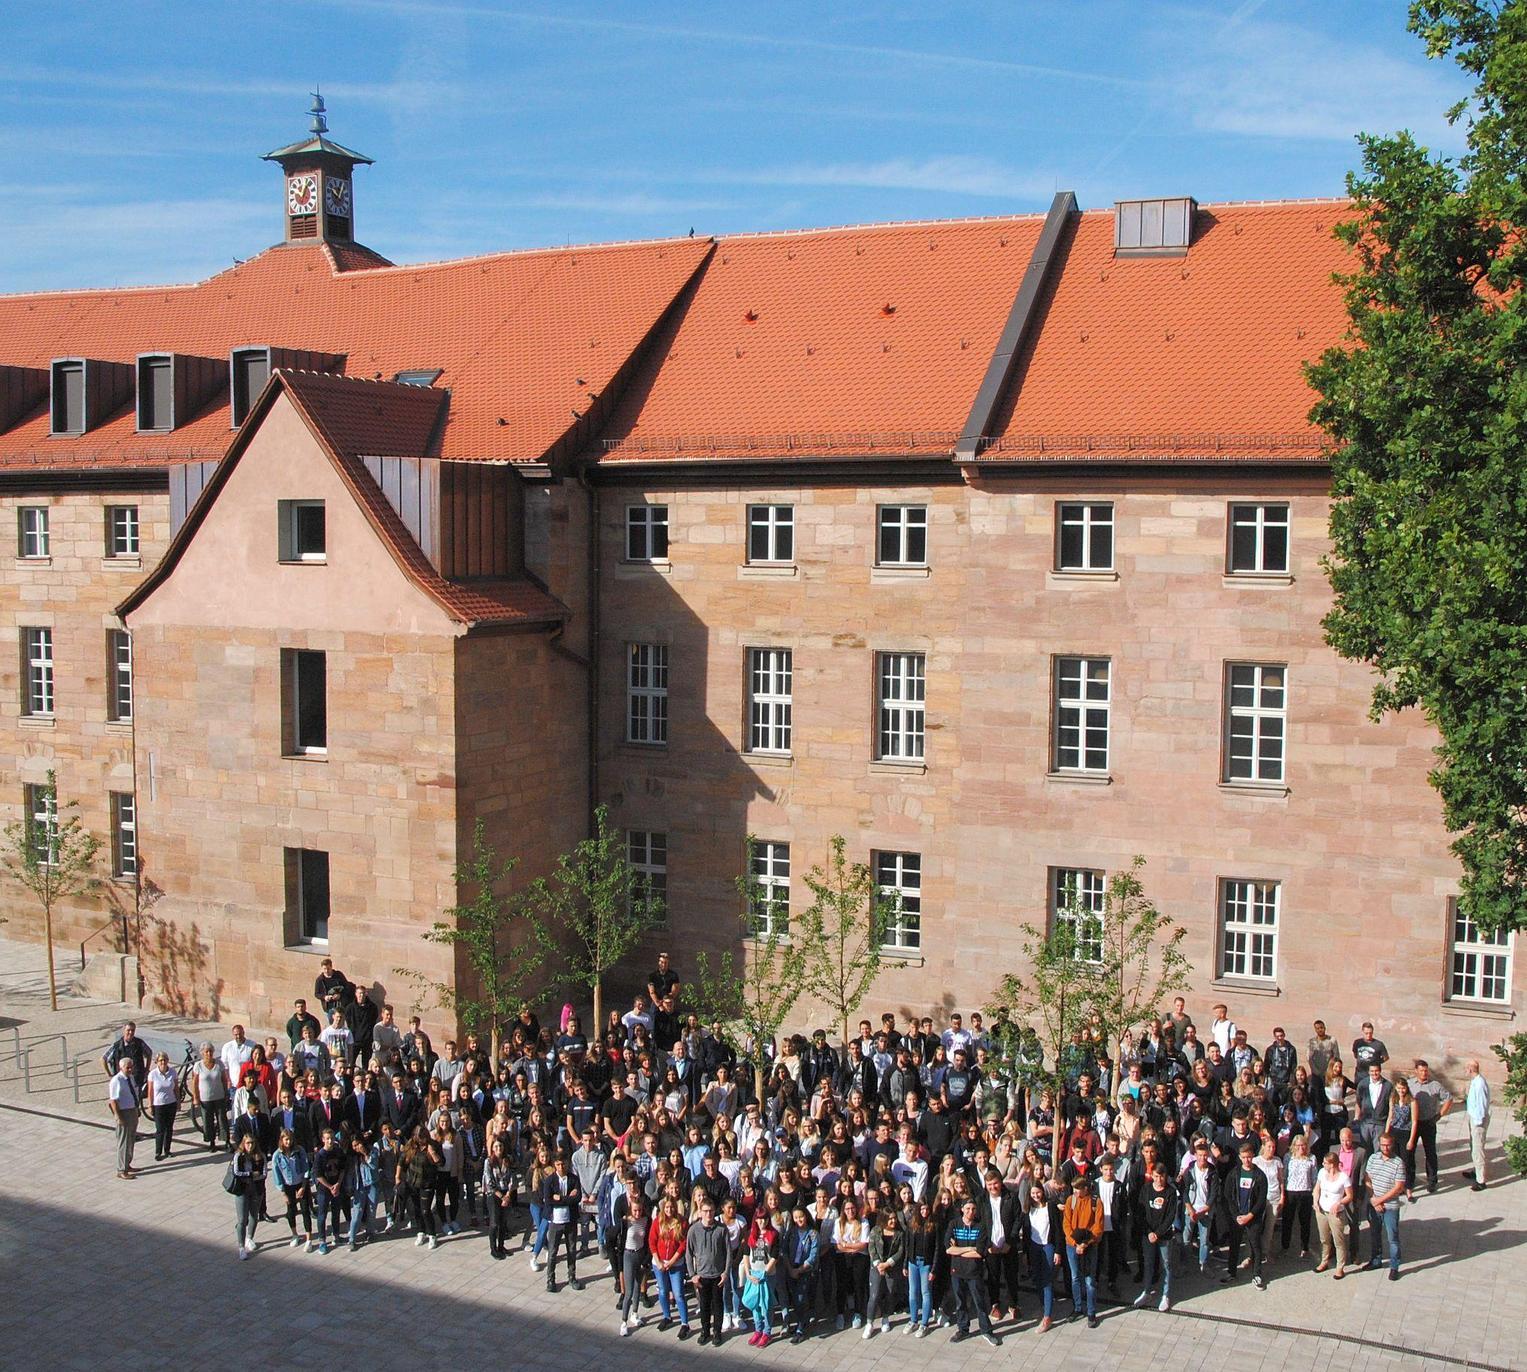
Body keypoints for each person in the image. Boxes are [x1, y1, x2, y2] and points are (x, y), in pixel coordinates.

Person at [945, 1197, 1000, 1346]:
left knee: (980, 1302)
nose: (971, 1212)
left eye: (973, 1209)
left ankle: (986, 1330)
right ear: (962, 1209)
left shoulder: (980, 1227)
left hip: (974, 1272)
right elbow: (949, 1249)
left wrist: (959, 1251)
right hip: (957, 1271)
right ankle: (963, 1329)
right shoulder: (954, 1224)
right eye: (968, 1209)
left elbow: (980, 1253)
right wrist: (969, 1248)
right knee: (960, 1303)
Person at [1134, 1159, 1178, 1312]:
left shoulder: (1171, 1192)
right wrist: (1148, 1232)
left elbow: (1171, 1216)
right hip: (1148, 1235)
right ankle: (1147, 1291)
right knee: (1148, 1263)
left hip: (1164, 1236)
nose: (1159, 1180)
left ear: (1166, 1176)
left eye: (1162, 1176)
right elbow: (1140, 1213)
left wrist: (1158, 1233)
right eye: (1156, 1176)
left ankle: (1166, 1295)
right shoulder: (1146, 1189)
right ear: (1151, 1175)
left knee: (1166, 1265)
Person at [686, 1196, 729, 1346]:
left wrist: (726, 1272)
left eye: (711, 1211)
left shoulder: (721, 1229)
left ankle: (717, 1332)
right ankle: (705, 1331)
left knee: (718, 1305)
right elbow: (688, 1253)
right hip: (702, 1275)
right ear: (700, 1212)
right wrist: (693, 1275)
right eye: (705, 1211)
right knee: (704, 1305)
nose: (708, 1214)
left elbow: (728, 1252)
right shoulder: (694, 1230)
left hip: (717, 1275)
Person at [1363, 1131, 1406, 1279]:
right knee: (1374, 1234)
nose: (1385, 1148)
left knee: (1392, 1237)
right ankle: (1376, 1260)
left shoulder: (1398, 1163)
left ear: (1392, 1145)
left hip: (1390, 1206)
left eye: (1388, 1145)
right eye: (1382, 1145)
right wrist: (1373, 1198)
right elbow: (1367, 1179)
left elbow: (1398, 1187)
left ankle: (1394, 1266)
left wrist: (1380, 1200)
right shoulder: (1373, 1158)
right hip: (1374, 1203)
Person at [649, 1195, 693, 1338]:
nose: (669, 1209)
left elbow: (683, 1245)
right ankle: (667, 1316)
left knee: (679, 1293)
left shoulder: (682, 1222)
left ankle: (685, 1323)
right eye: (667, 1207)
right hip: (659, 1263)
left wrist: (672, 1261)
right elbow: (652, 1242)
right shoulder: (657, 1222)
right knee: (662, 1290)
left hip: (676, 1263)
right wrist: (659, 1261)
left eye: (672, 1206)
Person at [1025, 1181, 1064, 1334]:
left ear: (1042, 1191)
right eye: (1033, 1193)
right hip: (1034, 1247)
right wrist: (1026, 1254)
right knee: (1038, 1279)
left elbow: (1058, 1230)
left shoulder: (1051, 1207)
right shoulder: (1029, 1209)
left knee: (1047, 1281)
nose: (1035, 1196)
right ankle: (1044, 1307)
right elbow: (1027, 1233)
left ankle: (1047, 1316)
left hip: (1048, 1246)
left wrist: (1058, 1251)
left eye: (1038, 1192)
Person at [542, 1152, 584, 1292]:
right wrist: (566, 1199)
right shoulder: (550, 1181)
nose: (561, 1167)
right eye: (558, 1164)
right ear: (554, 1165)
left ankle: (572, 1277)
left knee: (571, 1249)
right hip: (555, 1220)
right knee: (553, 1251)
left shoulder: (573, 1179)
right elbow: (548, 1201)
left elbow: (577, 1198)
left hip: (570, 1219)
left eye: (563, 1164)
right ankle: (550, 1279)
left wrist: (560, 1198)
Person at [864, 1206, 906, 1338]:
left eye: (894, 1218)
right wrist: (878, 1264)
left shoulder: (899, 1233)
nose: (893, 1221)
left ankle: (886, 1318)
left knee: (890, 1293)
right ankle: (869, 1323)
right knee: (874, 1295)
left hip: (892, 1268)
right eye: (890, 1219)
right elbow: (871, 1248)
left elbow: (900, 1251)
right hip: (877, 1268)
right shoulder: (875, 1231)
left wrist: (888, 1263)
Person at [272, 1128, 315, 1251]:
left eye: (290, 1139)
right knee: (291, 1211)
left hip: (301, 1184)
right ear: (281, 1140)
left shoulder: (299, 1150)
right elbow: (277, 1175)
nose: (288, 1142)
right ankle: (294, 1234)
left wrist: (303, 1186)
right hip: (288, 1186)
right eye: (286, 1139)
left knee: (305, 1210)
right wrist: (283, 1192)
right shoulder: (277, 1155)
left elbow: (306, 1168)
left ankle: (309, 1239)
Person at [1314, 1150, 1353, 1278]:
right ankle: (1324, 1261)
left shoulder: (1343, 1177)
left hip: (1336, 1213)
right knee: (1324, 1238)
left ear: (1332, 1164)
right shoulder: (1321, 1173)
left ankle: (1339, 1266)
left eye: (1325, 1163)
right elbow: (1317, 1188)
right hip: (1321, 1211)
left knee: (1338, 1240)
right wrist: (1315, 1201)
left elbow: (1349, 1196)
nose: (1323, 1164)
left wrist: (1339, 1203)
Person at [231, 1132, 267, 1259]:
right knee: (242, 1220)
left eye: (252, 1143)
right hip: (242, 1191)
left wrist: (251, 1175)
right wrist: (251, 1175)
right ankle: (241, 1247)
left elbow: (263, 1173)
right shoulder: (239, 1156)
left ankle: (249, 1238)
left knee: (254, 1215)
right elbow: (236, 1172)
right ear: (243, 1143)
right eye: (247, 1143)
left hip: (257, 1190)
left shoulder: (260, 1155)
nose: (250, 1145)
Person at [190, 1042, 230, 1153]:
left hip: (219, 1096)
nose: (209, 1054)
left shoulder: (219, 1064)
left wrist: (226, 1093)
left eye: (211, 1051)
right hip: (205, 1099)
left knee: (222, 1119)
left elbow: (224, 1079)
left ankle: (227, 1141)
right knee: (208, 1121)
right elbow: (195, 1083)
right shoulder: (198, 1066)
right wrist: (195, 1098)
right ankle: (212, 1142)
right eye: (206, 1051)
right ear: (202, 1053)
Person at [1281, 1134, 1316, 1258]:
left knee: (1305, 1222)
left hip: (1306, 1192)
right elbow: (1284, 1175)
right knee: (1287, 1220)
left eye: (1303, 1145)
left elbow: (1314, 1177)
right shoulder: (1287, 1157)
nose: (1301, 1147)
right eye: (1298, 1145)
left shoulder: (1311, 1158)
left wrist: (1315, 1194)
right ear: (1293, 1146)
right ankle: (1285, 1246)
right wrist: (1283, 1192)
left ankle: (1304, 1247)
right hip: (1290, 1191)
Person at [108, 1055, 143, 1179]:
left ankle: (127, 1164)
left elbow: (133, 1093)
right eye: (127, 1068)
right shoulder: (116, 1080)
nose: (130, 1070)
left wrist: (136, 1108)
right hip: (123, 1112)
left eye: (131, 1067)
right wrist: (118, 1116)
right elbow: (113, 1100)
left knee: (131, 1139)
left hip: (132, 1110)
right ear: (121, 1067)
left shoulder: (130, 1078)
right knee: (123, 1141)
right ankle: (121, 1169)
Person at [484, 1137, 517, 1260]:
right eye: (496, 1146)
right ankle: (493, 1249)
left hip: (506, 1194)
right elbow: (489, 1181)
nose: (499, 1149)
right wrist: (501, 1196)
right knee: (494, 1223)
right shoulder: (488, 1162)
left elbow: (512, 1178)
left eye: (501, 1146)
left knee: (503, 1222)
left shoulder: (508, 1160)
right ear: (492, 1148)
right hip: (494, 1194)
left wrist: (508, 1195)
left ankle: (501, 1246)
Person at [146, 1050, 180, 1161]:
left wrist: (178, 1102)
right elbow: (150, 1091)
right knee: (160, 1129)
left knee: (169, 1128)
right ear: (157, 1062)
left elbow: (176, 1088)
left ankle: (167, 1149)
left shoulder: (173, 1072)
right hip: (158, 1105)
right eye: (160, 1060)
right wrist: (150, 1105)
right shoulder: (153, 1074)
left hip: (171, 1103)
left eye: (165, 1060)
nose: (163, 1062)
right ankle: (158, 1151)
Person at [101, 1021, 151, 1091]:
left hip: (137, 1078)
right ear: (124, 1030)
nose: (130, 1032)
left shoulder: (139, 1043)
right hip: (121, 1079)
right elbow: (103, 1058)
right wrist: (109, 1074)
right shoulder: (117, 1046)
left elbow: (149, 1053)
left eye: (133, 1030)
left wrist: (146, 1069)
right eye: (128, 1030)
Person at [1464, 1059, 1491, 1191]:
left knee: (1478, 1149)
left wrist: (1478, 1123)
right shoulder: (1475, 1082)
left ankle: (1481, 1180)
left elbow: (1481, 1104)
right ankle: (1476, 1170)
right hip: (1473, 1118)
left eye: (1466, 1067)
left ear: (1470, 1069)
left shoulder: (1479, 1084)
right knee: (1473, 1146)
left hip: (1478, 1121)